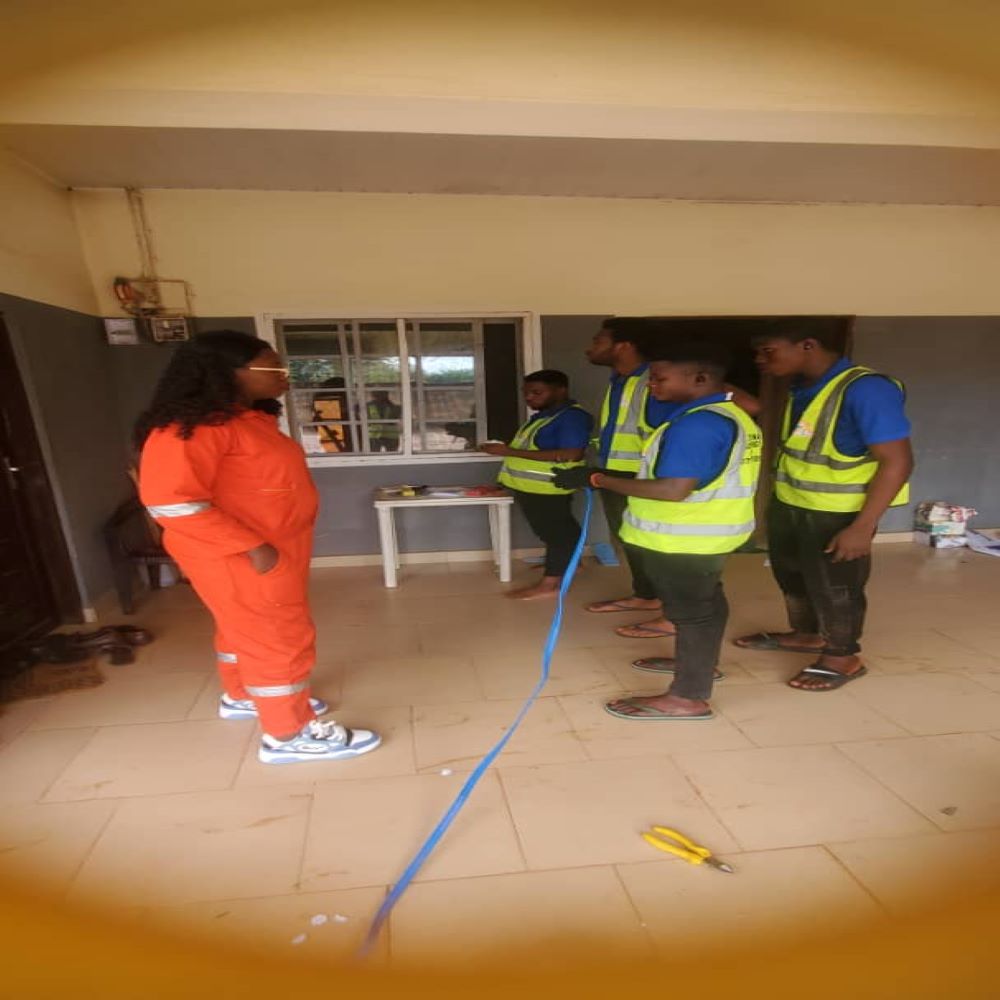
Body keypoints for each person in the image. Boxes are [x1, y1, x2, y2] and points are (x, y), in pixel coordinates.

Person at [136, 330, 381, 763]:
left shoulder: (242, 420)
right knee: (278, 636)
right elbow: (170, 503)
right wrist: (252, 547)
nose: (284, 373)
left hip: (267, 547)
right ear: (229, 372)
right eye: (272, 365)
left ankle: (243, 695)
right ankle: (288, 733)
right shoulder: (191, 429)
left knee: (242, 628)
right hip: (240, 554)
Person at [555, 341, 762, 719]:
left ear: (699, 378)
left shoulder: (698, 425)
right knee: (705, 603)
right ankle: (698, 668)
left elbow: (673, 489)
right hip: (707, 532)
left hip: (684, 537)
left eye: (659, 378)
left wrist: (598, 479)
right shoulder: (726, 414)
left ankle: (687, 697)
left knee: (692, 612)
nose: (650, 384)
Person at [734, 326, 913, 690]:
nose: (759, 360)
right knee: (792, 576)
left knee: (836, 587)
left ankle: (842, 656)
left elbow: (898, 460)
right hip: (793, 502)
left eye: (768, 350)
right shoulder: (804, 387)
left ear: (808, 345)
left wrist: (863, 526)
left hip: (838, 512)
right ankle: (807, 635)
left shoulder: (866, 389)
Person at [583, 317, 761, 640]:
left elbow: (745, 404)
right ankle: (649, 597)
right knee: (638, 544)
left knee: (677, 570)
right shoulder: (623, 381)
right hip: (625, 473)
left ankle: (675, 620)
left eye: (598, 340)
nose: (590, 347)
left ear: (623, 345)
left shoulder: (666, 385)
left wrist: (599, 479)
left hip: (662, 481)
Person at [482, 370, 594, 600]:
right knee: (557, 530)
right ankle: (572, 564)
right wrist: (503, 481)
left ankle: (549, 585)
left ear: (560, 390)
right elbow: (526, 455)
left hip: (548, 488)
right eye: (526, 392)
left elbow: (572, 454)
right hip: (531, 488)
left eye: (536, 392)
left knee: (557, 534)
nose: (529, 397)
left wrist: (507, 451)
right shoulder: (543, 417)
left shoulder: (571, 417)